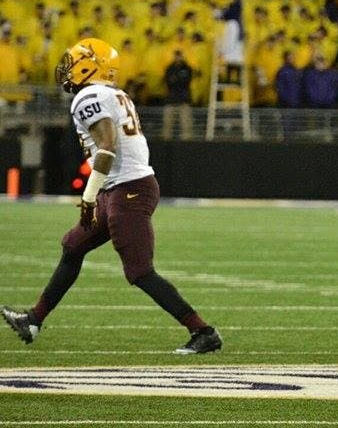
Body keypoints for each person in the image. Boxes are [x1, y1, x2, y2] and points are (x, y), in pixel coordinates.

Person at [2, 38, 221, 354]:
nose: (67, 69)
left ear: (91, 66)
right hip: (119, 188)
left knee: (140, 272)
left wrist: (89, 196)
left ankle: (203, 331)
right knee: (73, 246)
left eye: (74, 63)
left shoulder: (89, 95)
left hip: (128, 190)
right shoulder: (112, 94)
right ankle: (33, 320)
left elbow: (108, 146)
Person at [161, 49, 194, 140]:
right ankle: (165, 144)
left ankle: (186, 145)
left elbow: (186, 81)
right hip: (171, 99)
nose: (178, 58)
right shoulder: (170, 68)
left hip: (184, 100)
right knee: (167, 125)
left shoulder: (187, 68)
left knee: (186, 126)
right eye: (176, 56)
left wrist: (176, 79)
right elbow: (168, 81)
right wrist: (177, 79)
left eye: (180, 56)